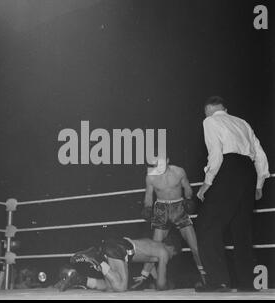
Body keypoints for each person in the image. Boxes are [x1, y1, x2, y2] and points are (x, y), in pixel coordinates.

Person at [196, 96, 270, 292]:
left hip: (227, 170)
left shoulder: (210, 120)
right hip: (248, 172)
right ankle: (247, 282)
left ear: (208, 109)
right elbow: (260, 153)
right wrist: (259, 183)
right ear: (225, 108)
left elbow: (216, 154)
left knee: (206, 226)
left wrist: (206, 183)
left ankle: (218, 280)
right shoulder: (242, 122)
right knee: (241, 229)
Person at [134, 156, 206, 289]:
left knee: (194, 246)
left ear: (167, 160)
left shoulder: (179, 172)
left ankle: (205, 278)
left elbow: (187, 188)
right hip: (161, 209)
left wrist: (189, 199)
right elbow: (149, 196)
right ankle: (143, 277)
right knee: (155, 246)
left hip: (178, 207)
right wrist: (147, 207)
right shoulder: (151, 176)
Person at [54, 235, 181, 292]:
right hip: (121, 248)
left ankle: (80, 280)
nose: (171, 257)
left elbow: (151, 261)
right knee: (121, 287)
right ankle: (96, 258)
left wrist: (143, 276)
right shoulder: (164, 252)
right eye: (173, 255)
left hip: (116, 246)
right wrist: (166, 287)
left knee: (109, 287)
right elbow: (161, 283)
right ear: (172, 248)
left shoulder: (156, 246)